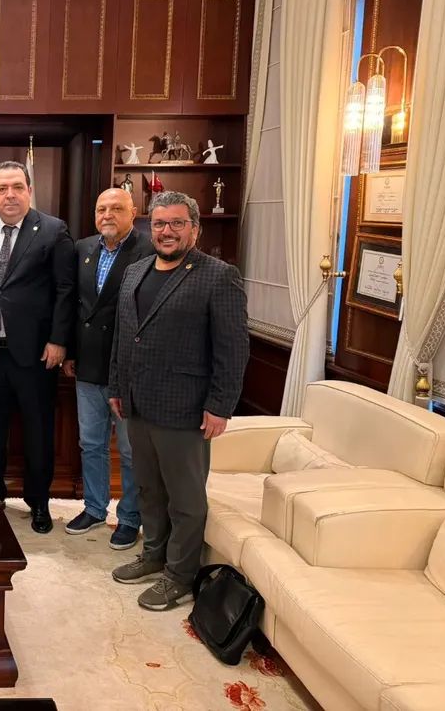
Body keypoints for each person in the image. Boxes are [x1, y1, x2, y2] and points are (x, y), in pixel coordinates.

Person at [108, 191, 248, 611]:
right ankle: (154, 554)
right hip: (138, 403)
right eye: (159, 223)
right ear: (149, 227)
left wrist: (220, 405)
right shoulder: (135, 271)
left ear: (195, 229)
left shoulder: (218, 276)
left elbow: (233, 348)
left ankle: (180, 575)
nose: (166, 231)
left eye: (176, 223)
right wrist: (117, 387)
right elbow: (123, 335)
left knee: (185, 500)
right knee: (149, 489)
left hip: (186, 408)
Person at [0, 160, 76, 534]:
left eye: (16, 187)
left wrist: (59, 340)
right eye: (2, 188)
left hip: (36, 352)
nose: (9, 195)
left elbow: (65, 289)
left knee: (37, 431)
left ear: (29, 190)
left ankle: (38, 502)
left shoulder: (53, 230)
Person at [62, 188, 154, 547]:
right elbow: (76, 305)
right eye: (101, 209)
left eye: (116, 208)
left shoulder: (148, 249)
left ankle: (129, 517)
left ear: (133, 212)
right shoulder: (84, 248)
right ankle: (95, 508)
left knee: (130, 451)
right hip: (88, 364)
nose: (107, 215)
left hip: (129, 368)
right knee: (91, 443)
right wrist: (71, 352)